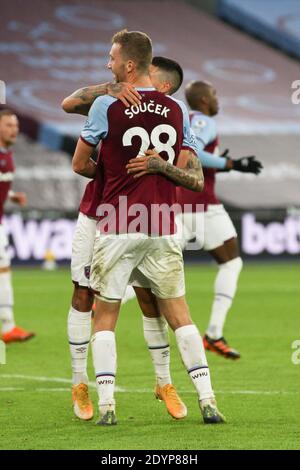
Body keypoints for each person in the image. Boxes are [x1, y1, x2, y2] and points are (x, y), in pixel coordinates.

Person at [72, 29, 225, 426]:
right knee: (179, 313)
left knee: (104, 315)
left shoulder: (107, 105)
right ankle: (208, 401)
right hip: (162, 222)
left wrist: (110, 175)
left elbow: (78, 164)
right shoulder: (176, 110)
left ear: (128, 64)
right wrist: (160, 165)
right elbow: (193, 178)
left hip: (119, 218)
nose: (108, 62)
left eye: (111, 57)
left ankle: (107, 407)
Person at [62, 58, 191, 422]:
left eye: (113, 58)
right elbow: (69, 103)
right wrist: (109, 88)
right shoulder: (110, 101)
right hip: (99, 214)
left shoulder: (170, 112)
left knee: (151, 297)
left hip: (143, 217)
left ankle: (164, 382)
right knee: (84, 292)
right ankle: (79, 382)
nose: (109, 64)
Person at [176, 80, 263, 359]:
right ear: (202, 100)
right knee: (231, 262)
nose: (217, 99)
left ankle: (102, 302)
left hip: (174, 203)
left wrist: (221, 167)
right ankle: (213, 334)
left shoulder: (182, 118)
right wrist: (232, 164)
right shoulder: (203, 121)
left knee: (154, 268)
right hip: (201, 205)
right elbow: (194, 155)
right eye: (213, 94)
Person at [0, 109, 34, 343]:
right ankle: (8, 325)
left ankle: (9, 325)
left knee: (4, 272)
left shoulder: (7, 154)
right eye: (9, 125)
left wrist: (11, 195)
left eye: (16, 125)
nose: (15, 129)